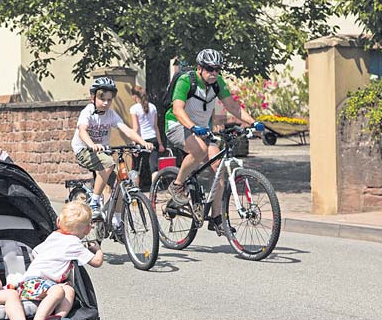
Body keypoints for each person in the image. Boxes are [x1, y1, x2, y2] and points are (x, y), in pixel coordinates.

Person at [165, 49, 264, 235]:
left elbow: (232, 106)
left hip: (202, 130)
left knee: (218, 168)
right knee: (200, 150)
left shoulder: (217, 83)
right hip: (177, 125)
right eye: (210, 69)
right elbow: (178, 109)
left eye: (217, 69)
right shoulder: (186, 80)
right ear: (200, 68)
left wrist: (254, 122)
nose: (214, 73)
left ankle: (217, 219)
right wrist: (193, 127)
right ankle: (177, 185)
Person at [71, 77, 154, 230]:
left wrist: (143, 142)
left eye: (109, 100)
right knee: (108, 163)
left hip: (101, 151)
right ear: (93, 97)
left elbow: (126, 129)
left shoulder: (111, 114)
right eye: (102, 99)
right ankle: (94, 201)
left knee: (122, 181)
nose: (106, 103)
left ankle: (116, 221)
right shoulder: (88, 112)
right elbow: (82, 131)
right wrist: (92, 144)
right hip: (84, 149)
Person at [15, 202, 103, 320]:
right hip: (35, 283)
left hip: (30, 283)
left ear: (58, 221)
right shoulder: (74, 243)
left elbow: (35, 252)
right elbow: (97, 262)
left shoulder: (53, 236)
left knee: (68, 290)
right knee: (58, 291)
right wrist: (97, 250)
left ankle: (56, 319)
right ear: (88, 229)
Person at [129, 86, 165, 183]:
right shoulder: (153, 107)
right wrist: (160, 143)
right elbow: (156, 127)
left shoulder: (134, 108)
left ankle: (135, 191)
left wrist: (133, 143)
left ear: (134, 96)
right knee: (154, 168)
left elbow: (135, 128)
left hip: (141, 140)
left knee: (135, 168)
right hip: (153, 139)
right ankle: (155, 192)